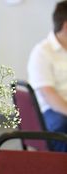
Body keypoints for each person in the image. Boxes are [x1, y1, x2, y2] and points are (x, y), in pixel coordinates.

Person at [28, 0, 67, 152]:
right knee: (61, 124)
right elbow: (49, 95)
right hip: (53, 111)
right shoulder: (42, 52)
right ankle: (58, 169)